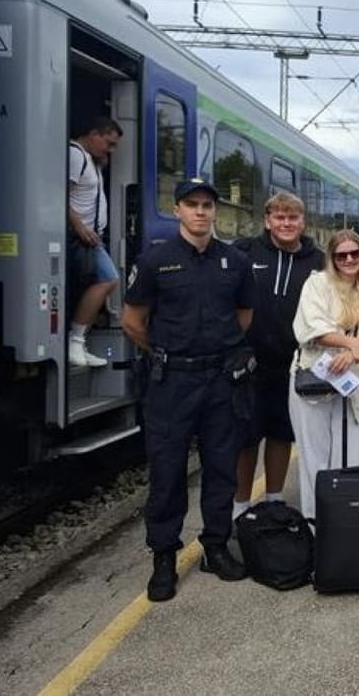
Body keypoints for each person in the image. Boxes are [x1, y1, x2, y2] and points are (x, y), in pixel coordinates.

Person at [121, 177, 255, 602]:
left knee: (220, 467)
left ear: (216, 212)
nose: (200, 212)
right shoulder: (156, 261)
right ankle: (164, 556)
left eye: (207, 205)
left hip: (220, 381)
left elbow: (245, 316)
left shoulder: (234, 262)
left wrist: (215, 349)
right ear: (177, 209)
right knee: (167, 471)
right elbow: (132, 320)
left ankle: (215, 546)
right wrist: (166, 352)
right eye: (191, 204)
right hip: (172, 382)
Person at [230, 192, 325, 521]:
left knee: (282, 435)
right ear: (267, 221)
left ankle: (272, 499)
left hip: (292, 365)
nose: (286, 223)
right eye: (279, 217)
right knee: (246, 439)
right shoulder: (245, 252)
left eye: (293, 217)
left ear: (303, 222)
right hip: (249, 364)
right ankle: (240, 506)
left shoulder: (318, 262)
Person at [290, 230, 359, 521]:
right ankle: (316, 525)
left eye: (355, 254)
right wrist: (352, 345)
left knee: (354, 456)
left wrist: (355, 350)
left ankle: (349, 524)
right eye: (341, 255)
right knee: (315, 458)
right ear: (331, 258)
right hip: (316, 379)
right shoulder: (316, 284)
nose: (349, 259)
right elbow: (314, 327)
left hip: (354, 380)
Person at [68, 117, 123, 367]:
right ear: (94, 134)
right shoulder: (76, 155)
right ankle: (75, 341)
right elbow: (60, 194)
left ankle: (80, 341)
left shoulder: (91, 160)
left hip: (90, 237)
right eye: (108, 143)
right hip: (79, 235)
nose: (109, 150)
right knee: (109, 278)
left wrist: (102, 160)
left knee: (95, 284)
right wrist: (79, 226)